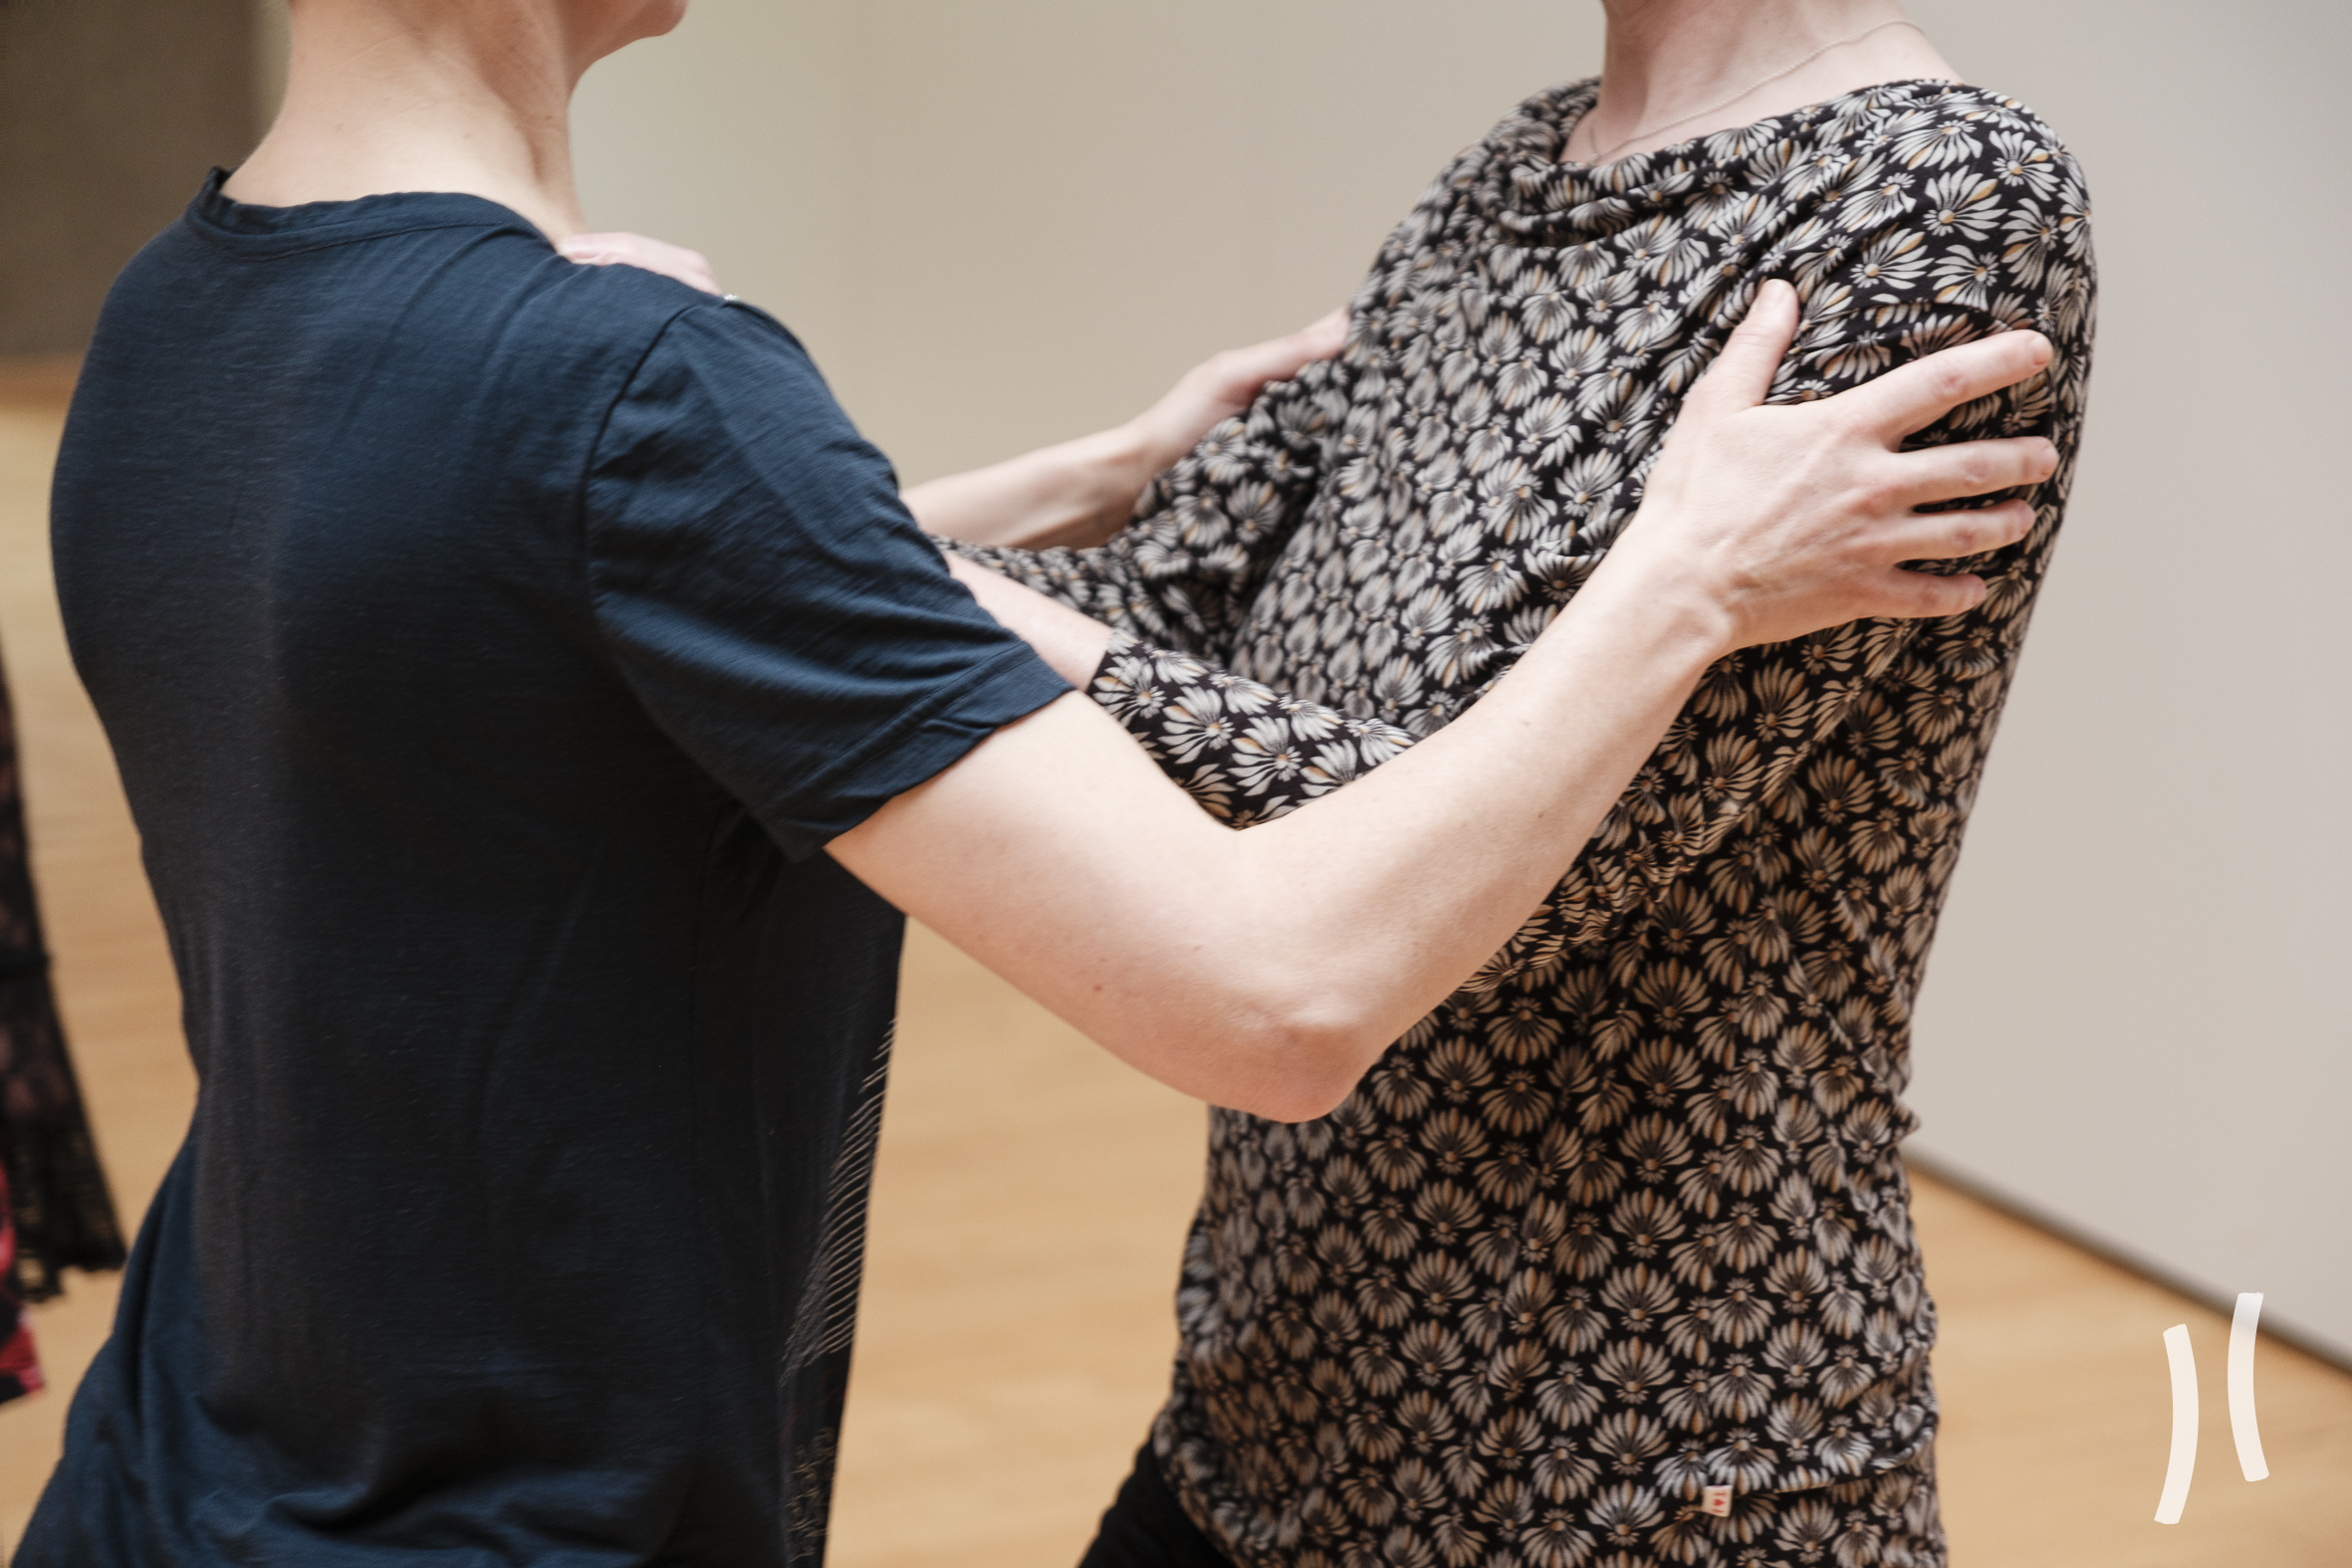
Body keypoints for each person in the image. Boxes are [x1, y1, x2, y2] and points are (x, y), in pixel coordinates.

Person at [17, 0, 2058, 1563]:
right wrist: (1678, 579)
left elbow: (569, 611)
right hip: (530, 1516)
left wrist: (975, 501)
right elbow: (1279, 984)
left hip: (180, 1477)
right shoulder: (624, 388)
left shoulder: (174, 321)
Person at [919, 3, 2095, 1565]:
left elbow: (1466, 877)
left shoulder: (1940, 199)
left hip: (1645, 1470)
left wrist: (767, 516)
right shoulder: (1517, 169)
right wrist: (761, 511)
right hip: (1273, 1412)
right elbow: (1168, 598)